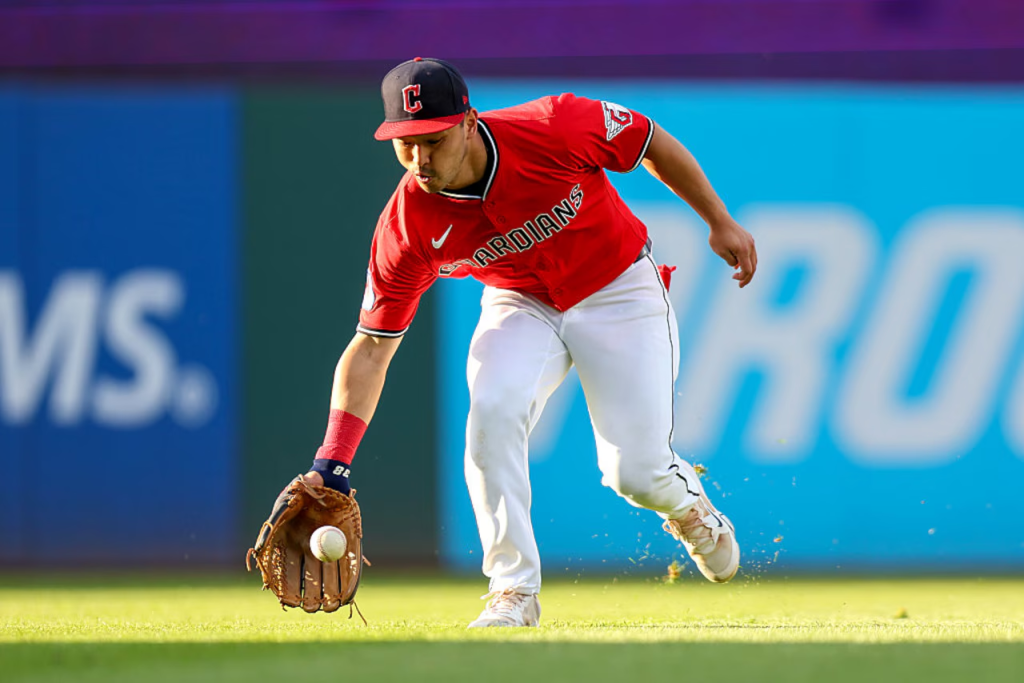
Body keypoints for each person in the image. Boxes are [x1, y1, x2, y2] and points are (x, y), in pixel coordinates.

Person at [295, 57, 757, 628]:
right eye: (405, 144)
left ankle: (687, 507)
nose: (420, 160)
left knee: (634, 474)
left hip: (617, 288)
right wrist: (332, 463)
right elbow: (370, 348)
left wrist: (719, 219)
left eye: (433, 140)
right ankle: (513, 588)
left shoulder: (554, 125)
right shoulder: (407, 226)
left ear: (468, 122)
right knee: (492, 411)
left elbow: (649, 140)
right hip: (521, 302)